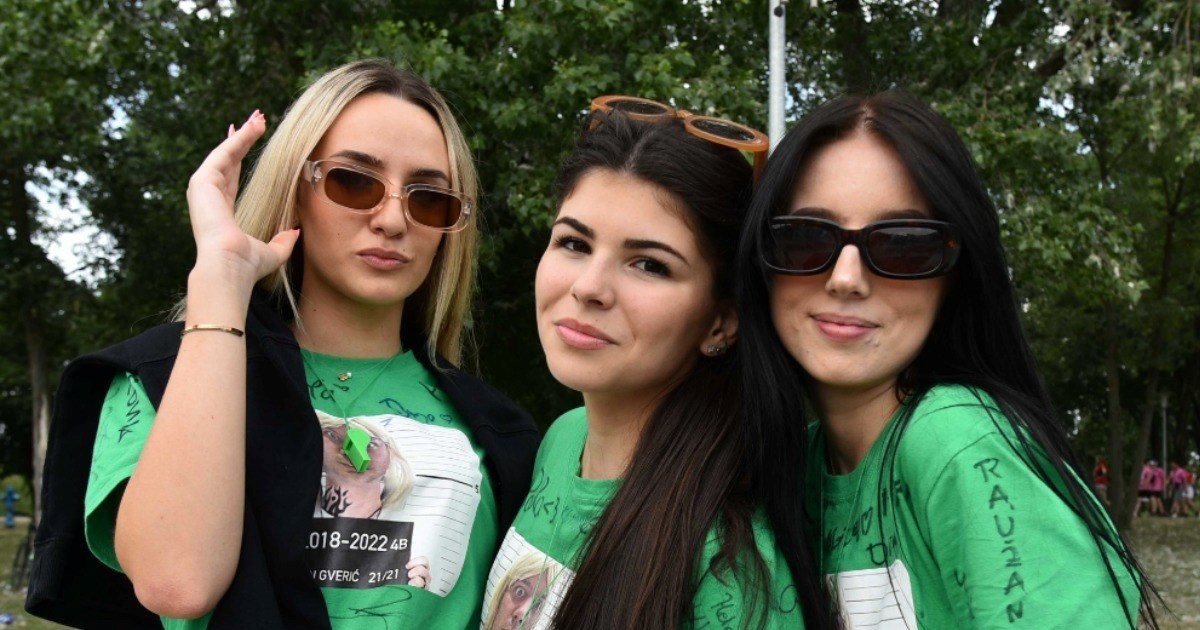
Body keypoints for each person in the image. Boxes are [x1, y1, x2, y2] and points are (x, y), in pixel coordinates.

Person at [29, 59, 539, 629]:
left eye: (428, 198)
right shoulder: (158, 377)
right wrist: (221, 277)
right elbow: (178, 583)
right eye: (354, 181)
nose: (394, 220)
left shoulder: (502, 437)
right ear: (295, 191)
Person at [736, 91, 1156, 628]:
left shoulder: (958, 439)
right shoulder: (792, 472)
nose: (845, 278)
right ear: (761, 262)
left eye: (903, 244)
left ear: (954, 276)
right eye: (804, 239)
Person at [481, 97, 825, 628]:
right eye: (574, 242)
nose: (589, 287)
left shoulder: (729, 568)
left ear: (721, 323)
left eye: (648, 265)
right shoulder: (563, 439)